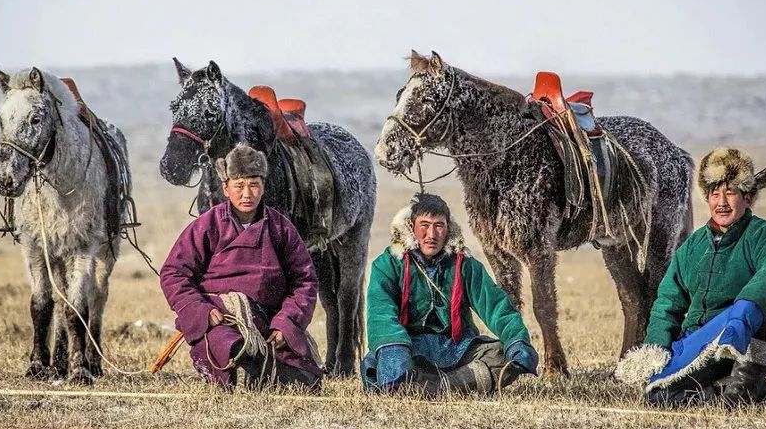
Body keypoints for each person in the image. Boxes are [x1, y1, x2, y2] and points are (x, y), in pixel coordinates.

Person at [615, 148, 766, 407]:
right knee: (658, 395)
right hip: (706, 340)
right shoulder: (691, 247)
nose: (722, 202)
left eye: (730, 193)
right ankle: (744, 391)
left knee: (760, 308)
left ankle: (741, 392)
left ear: (747, 197)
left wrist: (739, 319)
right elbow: (667, 304)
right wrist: (655, 350)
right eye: (715, 193)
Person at [160, 143, 322, 391]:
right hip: (222, 317)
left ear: (263, 186)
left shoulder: (280, 228)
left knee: (305, 377)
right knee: (227, 347)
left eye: (254, 184)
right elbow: (174, 273)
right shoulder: (207, 224)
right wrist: (200, 311)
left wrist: (287, 324)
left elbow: (304, 280)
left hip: (268, 321)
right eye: (239, 185)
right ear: (226, 188)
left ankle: (261, 369)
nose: (247, 194)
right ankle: (242, 369)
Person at [362, 193, 539, 395]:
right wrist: (393, 350)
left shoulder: (466, 265)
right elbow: (381, 313)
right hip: (410, 348)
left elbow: (496, 308)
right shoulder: (388, 264)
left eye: (439, 225)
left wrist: (517, 341)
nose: (432, 234)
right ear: (412, 227)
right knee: (374, 364)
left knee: (503, 355)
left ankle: (426, 387)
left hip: (459, 349)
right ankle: (454, 385)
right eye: (424, 225)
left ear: (448, 229)